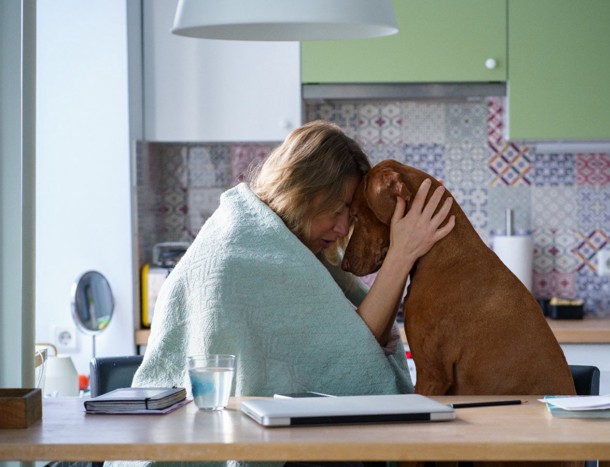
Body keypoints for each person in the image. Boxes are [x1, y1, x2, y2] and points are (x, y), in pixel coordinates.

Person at [130, 119, 455, 401]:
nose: (343, 228)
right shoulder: (246, 254)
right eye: (336, 208)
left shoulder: (287, 248)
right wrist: (402, 253)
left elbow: (353, 344)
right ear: (302, 189)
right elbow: (352, 356)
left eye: (350, 214)